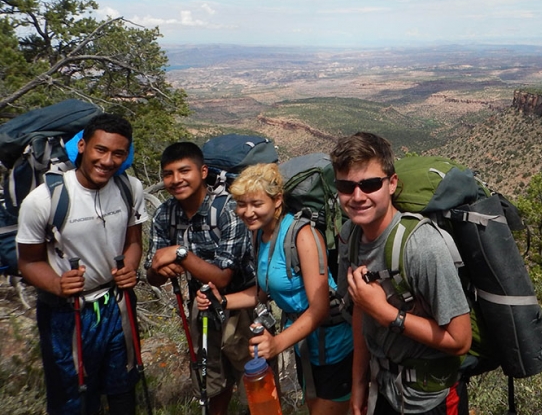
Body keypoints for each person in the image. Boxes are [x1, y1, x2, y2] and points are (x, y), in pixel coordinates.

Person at [331, 132, 472, 415]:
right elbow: (361, 314)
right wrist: (358, 387)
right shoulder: (351, 235)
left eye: (370, 184)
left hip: (431, 399)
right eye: (346, 186)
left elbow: (460, 340)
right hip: (385, 389)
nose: (357, 196)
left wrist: (386, 314)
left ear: (391, 184)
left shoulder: (423, 247)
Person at [16, 113, 148, 415]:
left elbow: (133, 241)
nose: (107, 161)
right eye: (100, 150)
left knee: (123, 387)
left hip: (115, 305)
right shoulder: (44, 200)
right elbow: (28, 261)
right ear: (83, 146)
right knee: (72, 396)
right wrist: (57, 285)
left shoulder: (130, 188)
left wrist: (130, 267)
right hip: (66, 313)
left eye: (118, 153)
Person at [197, 162, 353, 415]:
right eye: (241, 204)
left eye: (256, 204)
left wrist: (278, 343)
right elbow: (262, 293)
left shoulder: (302, 236)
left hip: (334, 346)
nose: (247, 212)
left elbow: (320, 307)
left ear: (277, 200)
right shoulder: (261, 235)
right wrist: (222, 301)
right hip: (304, 343)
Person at [145, 142, 256, 415]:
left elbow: (222, 277)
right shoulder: (165, 214)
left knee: (252, 381)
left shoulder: (229, 210)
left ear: (203, 171)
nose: (176, 180)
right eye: (168, 174)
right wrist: (161, 269)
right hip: (202, 305)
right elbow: (152, 273)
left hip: (242, 304)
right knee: (211, 380)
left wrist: (180, 255)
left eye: (185, 171)